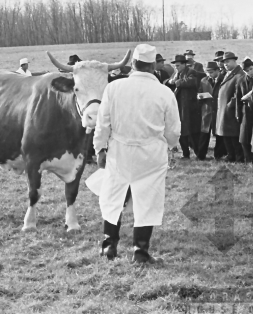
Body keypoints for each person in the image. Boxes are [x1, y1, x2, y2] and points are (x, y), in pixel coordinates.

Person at [93, 43, 181, 264]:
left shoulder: (113, 88)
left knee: (113, 197)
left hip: (119, 152)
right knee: (147, 199)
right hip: (151, 155)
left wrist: (100, 148)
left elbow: (102, 124)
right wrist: (172, 145)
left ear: (133, 64)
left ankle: (108, 246)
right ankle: (140, 251)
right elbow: (173, 129)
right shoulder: (164, 91)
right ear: (153, 66)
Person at [165, 55, 202, 159]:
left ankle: (198, 153)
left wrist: (176, 82)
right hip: (179, 107)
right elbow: (168, 83)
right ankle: (185, 154)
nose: (176, 67)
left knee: (192, 132)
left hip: (190, 108)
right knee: (181, 131)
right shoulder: (176, 73)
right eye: (175, 66)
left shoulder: (191, 71)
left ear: (184, 64)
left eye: (178, 65)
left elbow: (191, 81)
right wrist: (169, 81)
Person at [215, 52, 246, 163]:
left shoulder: (239, 74)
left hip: (231, 110)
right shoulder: (229, 73)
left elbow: (238, 93)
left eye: (228, 61)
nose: (225, 64)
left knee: (233, 135)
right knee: (226, 134)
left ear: (234, 61)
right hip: (224, 109)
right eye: (224, 62)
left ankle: (238, 157)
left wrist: (230, 105)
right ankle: (230, 155)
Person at [198, 61, 226, 160]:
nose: (209, 74)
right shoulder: (204, 80)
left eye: (211, 72)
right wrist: (200, 96)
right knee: (204, 134)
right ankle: (201, 155)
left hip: (218, 111)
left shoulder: (224, 79)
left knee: (219, 134)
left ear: (218, 70)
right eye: (208, 72)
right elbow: (199, 92)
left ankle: (218, 155)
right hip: (207, 110)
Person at [236, 58, 253, 166]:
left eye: (251, 69)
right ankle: (248, 159)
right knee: (244, 138)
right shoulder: (241, 80)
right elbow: (238, 98)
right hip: (245, 111)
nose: (250, 72)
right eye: (246, 70)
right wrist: (238, 114)